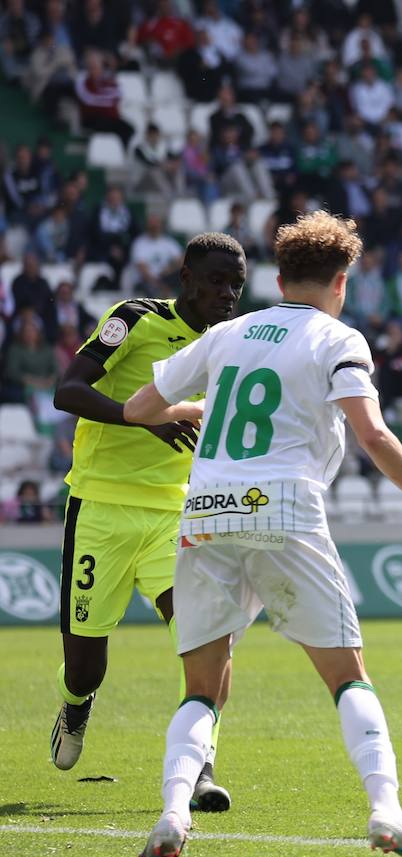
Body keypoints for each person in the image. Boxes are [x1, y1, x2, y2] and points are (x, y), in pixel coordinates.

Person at [123, 211, 402, 857]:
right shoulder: (337, 338)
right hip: (283, 509)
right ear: (342, 281)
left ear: (279, 277)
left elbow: (138, 410)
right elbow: (373, 434)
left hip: (205, 512)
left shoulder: (228, 334)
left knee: (201, 690)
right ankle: (387, 811)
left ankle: (174, 812)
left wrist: (193, 409)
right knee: (349, 679)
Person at [48, 233, 247, 818]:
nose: (228, 294)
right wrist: (146, 419)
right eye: (216, 281)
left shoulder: (230, 343)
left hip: (175, 513)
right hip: (100, 509)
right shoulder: (133, 319)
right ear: (185, 277)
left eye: (236, 284)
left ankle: (201, 768)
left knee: (208, 637)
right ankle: (75, 703)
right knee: (86, 666)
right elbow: (68, 390)